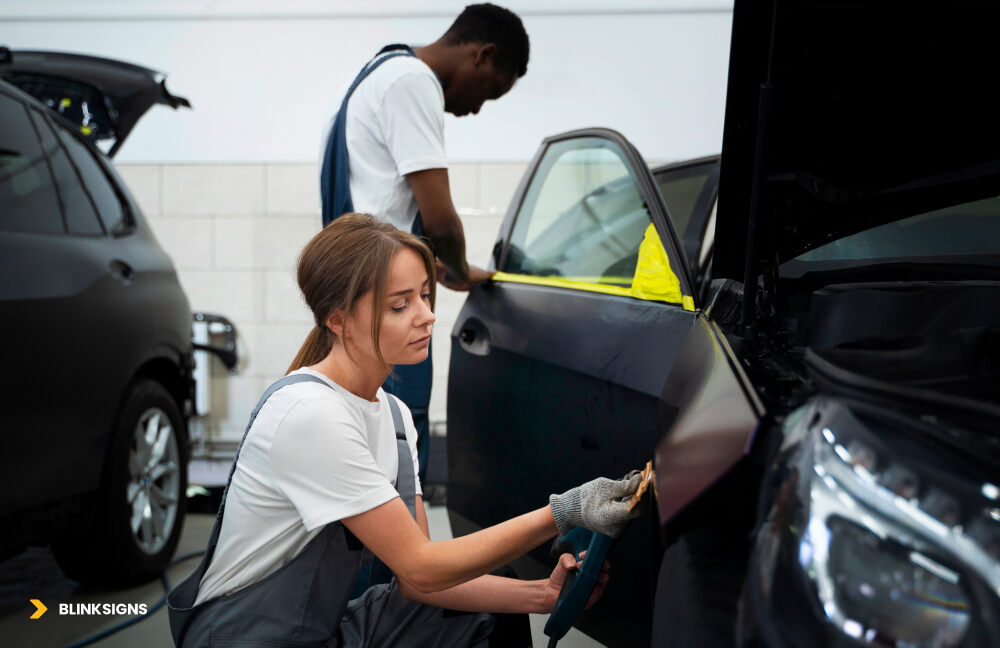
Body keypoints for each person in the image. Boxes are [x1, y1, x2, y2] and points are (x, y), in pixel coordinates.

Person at [167, 214, 644, 647]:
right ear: (338, 320)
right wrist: (566, 511)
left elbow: (419, 584)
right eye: (400, 305)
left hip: (320, 632)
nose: (427, 315)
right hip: (245, 639)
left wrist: (542, 595)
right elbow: (422, 565)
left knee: (486, 611)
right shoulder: (309, 413)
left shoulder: (393, 418)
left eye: (424, 295)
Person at [319, 3, 530, 485]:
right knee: (399, 450)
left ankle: (392, 558)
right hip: (383, 305)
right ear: (483, 55)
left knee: (370, 447)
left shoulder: (375, 75)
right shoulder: (412, 83)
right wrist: (456, 269)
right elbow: (442, 223)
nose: (477, 108)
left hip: (359, 297)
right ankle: (407, 561)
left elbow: (383, 211)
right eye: (490, 91)